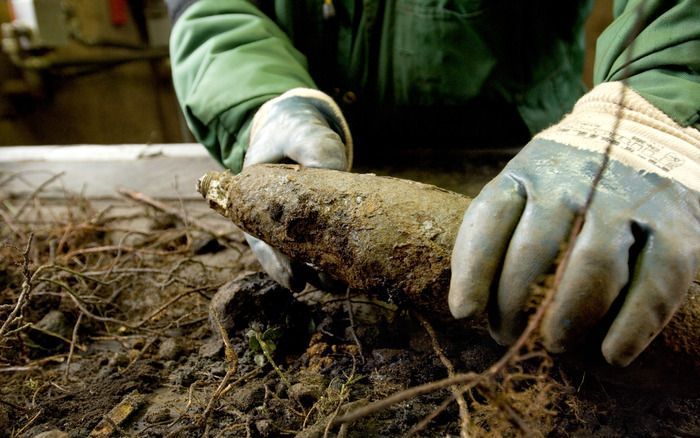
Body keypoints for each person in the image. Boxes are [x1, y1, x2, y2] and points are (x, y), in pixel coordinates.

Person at [164, 0, 699, 367]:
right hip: (331, 156)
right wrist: (261, 103)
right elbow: (209, 8)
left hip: (536, 159)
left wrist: (664, 100)